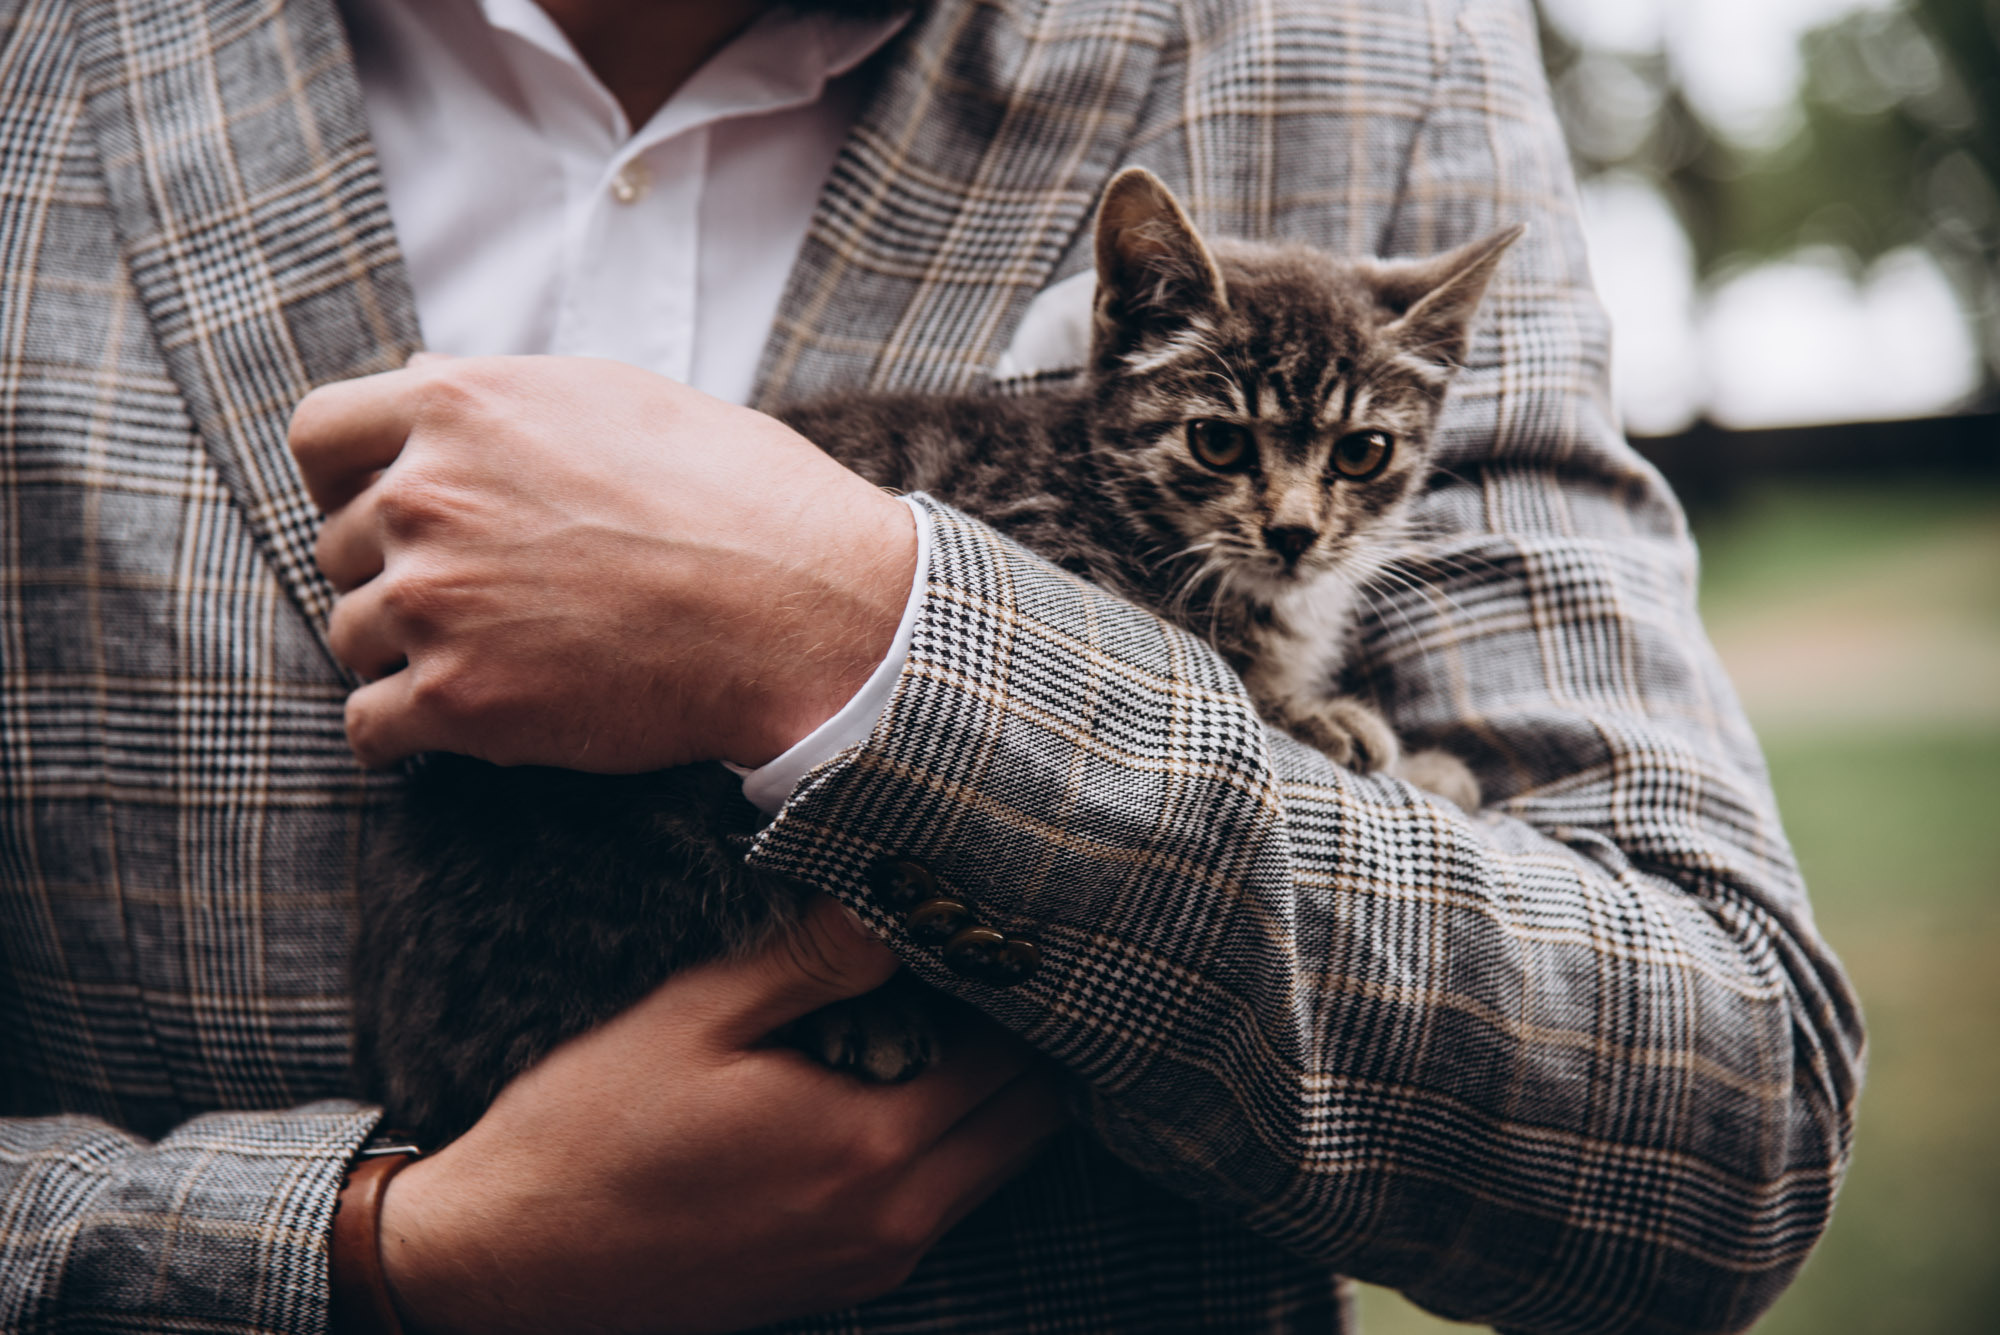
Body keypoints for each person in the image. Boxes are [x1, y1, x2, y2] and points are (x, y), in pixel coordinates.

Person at [0, 0, 1864, 1331]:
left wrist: (871, 631)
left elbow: (1722, 1127)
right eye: (1244, 457)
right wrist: (369, 1261)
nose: (1300, 516)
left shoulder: (1372, 47)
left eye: (1344, 470)